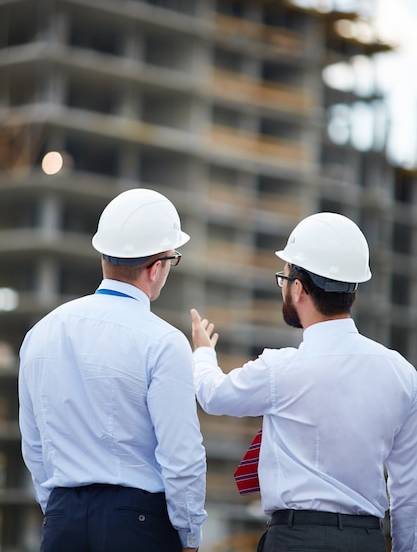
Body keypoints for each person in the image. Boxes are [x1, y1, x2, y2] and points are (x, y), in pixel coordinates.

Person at [191, 212, 417, 552]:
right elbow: (409, 486)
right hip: (366, 541)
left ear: (298, 288)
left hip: (296, 539)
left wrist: (203, 353)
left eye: (283, 278)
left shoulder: (280, 368)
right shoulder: (401, 372)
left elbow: (213, 395)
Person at [19, 188, 206, 552]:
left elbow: (35, 446)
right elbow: (181, 455)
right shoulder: (164, 342)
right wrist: (190, 532)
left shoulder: (40, 333)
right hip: (138, 524)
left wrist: (58, 509)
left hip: (61, 520)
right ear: (157, 268)